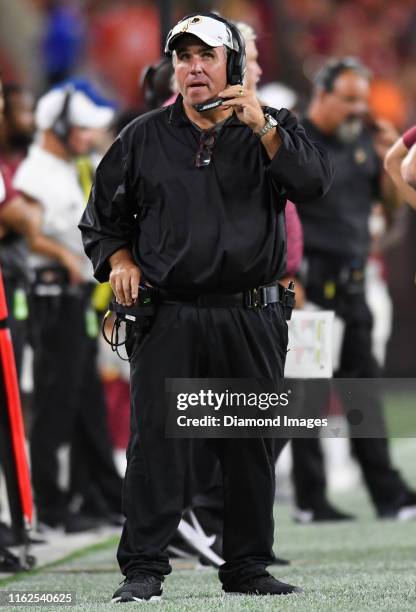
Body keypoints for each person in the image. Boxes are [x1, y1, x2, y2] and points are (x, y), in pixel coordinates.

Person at [80, 12, 332, 602]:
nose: (194, 67)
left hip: (251, 313)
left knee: (248, 446)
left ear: (232, 65)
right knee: (156, 446)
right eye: (184, 57)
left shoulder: (273, 126)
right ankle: (143, 568)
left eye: (207, 56)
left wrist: (265, 126)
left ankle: (245, 566)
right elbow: (102, 222)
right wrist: (119, 262)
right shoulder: (142, 136)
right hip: (169, 314)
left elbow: (315, 183)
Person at [291, 57, 416, 522]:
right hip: (310, 286)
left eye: (362, 100)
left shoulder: (363, 141)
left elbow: (385, 209)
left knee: (364, 398)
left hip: (354, 285)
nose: (357, 110)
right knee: (305, 401)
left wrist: (392, 165)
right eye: (348, 99)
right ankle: (310, 498)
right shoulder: (296, 142)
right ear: (321, 95)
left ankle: (387, 494)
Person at [13, 79, 122, 533]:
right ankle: (51, 505)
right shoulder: (32, 174)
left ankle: (96, 493)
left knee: (87, 402)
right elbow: (27, 231)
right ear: (57, 125)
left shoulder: (70, 167)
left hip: (76, 296)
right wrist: (63, 257)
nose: (89, 136)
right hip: (50, 295)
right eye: (81, 127)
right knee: (57, 403)